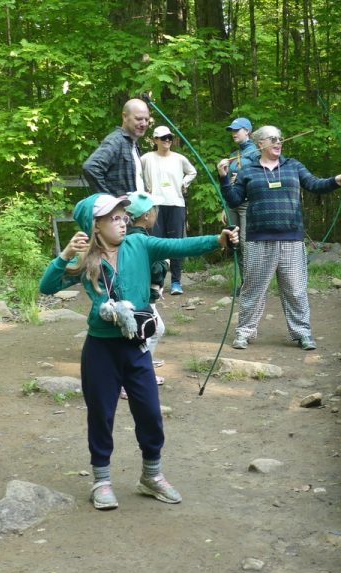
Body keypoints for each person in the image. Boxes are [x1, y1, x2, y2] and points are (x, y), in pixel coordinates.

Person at [39, 193, 237, 510]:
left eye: (123, 216)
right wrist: (64, 255)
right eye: (114, 218)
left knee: (149, 412)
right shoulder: (82, 259)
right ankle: (101, 481)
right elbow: (47, 287)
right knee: (101, 414)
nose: (123, 221)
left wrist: (218, 239)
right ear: (95, 225)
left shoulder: (139, 245)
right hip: (101, 349)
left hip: (137, 347)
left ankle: (151, 476)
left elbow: (179, 246)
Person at [217, 125, 341, 351]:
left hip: (292, 239)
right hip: (258, 239)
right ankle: (244, 332)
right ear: (260, 144)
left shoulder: (293, 166)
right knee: (253, 288)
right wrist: (223, 178)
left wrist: (335, 180)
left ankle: (302, 333)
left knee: (296, 289)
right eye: (273, 139)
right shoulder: (249, 171)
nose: (278, 142)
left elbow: (314, 184)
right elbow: (234, 200)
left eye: (280, 139)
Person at [140, 126, 197, 295]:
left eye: (169, 138)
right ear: (155, 140)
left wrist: (184, 183)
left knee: (176, 243)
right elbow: (137, 174)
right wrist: (144, 190)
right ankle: (156, 282)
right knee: (155, 243)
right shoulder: (147, 158)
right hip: (154, 205)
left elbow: (192, 171)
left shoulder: (179, 159)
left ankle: (176, 282)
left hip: (176, 204)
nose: (167, 141)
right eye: (163, 138)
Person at [123, 191, 168, 395]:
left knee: (155, 329)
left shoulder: (132, 236)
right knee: (147, 332)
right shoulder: (139, 240)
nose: (156, 214)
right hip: (137, 299)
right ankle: (129, 379)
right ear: (146, 215)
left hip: (138, 298)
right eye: (154, 210)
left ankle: (143, 372)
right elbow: (153, 270)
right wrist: (163, 262)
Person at [218, 117, 258, 294]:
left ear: (247, 131)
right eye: (232, 131)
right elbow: (229, 185)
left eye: (237, 130)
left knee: (246, 243)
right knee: (235, 243)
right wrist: (224, 206)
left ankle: (252, 285)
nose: (234, 133)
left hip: (248, 203)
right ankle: (244, 283)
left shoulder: (256, 153)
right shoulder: (234, 156)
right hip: (233, 204)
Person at [82, 98, 150, 195]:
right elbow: (91, 167)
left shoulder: (133, 144)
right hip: (120, 209)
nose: (144, 123)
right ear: (125, 117)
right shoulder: (116, 141)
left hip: (132, 208)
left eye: (146, 119)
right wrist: (109, 201)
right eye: (138, 119)